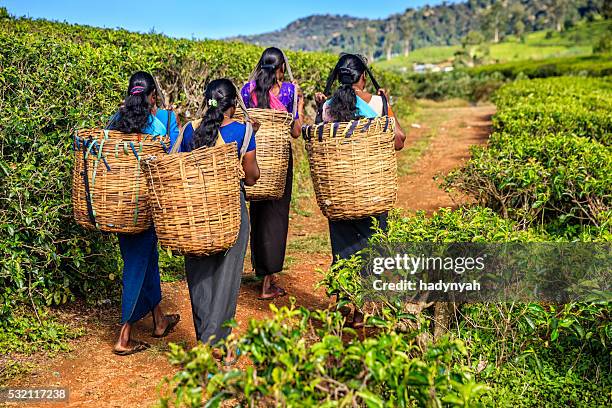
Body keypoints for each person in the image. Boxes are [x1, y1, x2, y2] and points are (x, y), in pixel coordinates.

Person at [314, 54, 406, 327]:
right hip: (371, 192)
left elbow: (321, 138)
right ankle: (363, 309)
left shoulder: (328, 107)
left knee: (343, 249)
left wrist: (320, 107)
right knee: (372, 245)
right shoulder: (376, 103)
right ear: (362, 76)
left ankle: (348, 303)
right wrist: (387, 105)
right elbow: (399, 141)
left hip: (340, 192)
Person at [178, 79, 260, 363]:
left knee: (199, 271)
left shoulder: (189, 130)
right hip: (230, 209)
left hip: (194, 210)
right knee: (227, 274)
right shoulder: (243, 130)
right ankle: (216, 342)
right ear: (233, 105)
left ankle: (206, 339)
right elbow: (251, 176)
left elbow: (176, 164)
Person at [107, 71, 180, 355]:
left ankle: (159, 320)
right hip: (145, 204)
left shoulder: (116, 120)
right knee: (137, 265)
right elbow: (168, 160)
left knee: (146, 259)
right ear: (152, 98)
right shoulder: (158, 124)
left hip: (119, 204)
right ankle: (124, 336)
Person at [240, 47, 305, 300]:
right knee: (276, 218)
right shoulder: (289, 91)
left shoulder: (247, 90)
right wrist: (298, 105)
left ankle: (261, 269)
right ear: (281, 69)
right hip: (279, 161)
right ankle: (268, 282)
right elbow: (296, 131)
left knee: (258, 215)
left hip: (254, 159)